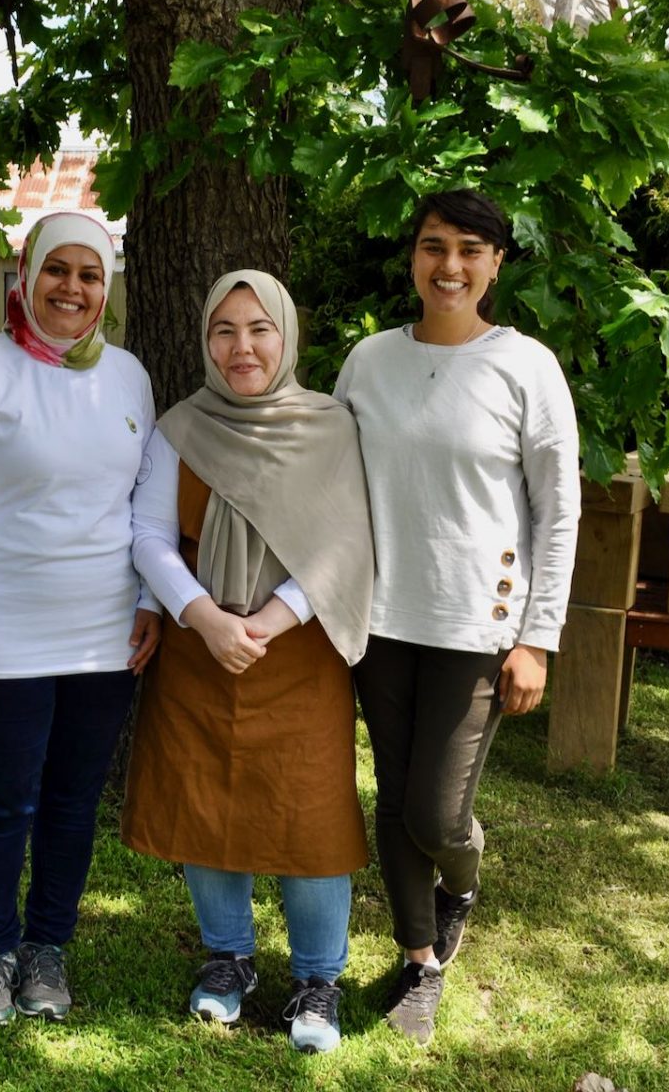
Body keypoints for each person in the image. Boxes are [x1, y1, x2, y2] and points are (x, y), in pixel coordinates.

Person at [332, 189, 580, 1045]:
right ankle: (418, 963)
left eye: (471, 249)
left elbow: (559, 509)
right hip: (380, 620)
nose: (450, 266)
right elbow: (330, 481)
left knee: (438, 815)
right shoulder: (367, 362)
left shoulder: (526, 366)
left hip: (479, 626)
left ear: (497, 264)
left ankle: (460, 883)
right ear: (413, 256)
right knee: (394, 798)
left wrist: (538, 638)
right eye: (435, 246)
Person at [0, 210, 161, 1027]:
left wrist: (153, 602)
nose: (73, 289)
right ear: (26, 276)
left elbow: (145, 505)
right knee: (2, 801)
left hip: (103, 631)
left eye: (91, 276)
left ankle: (47, 948)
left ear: (106, 290)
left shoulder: (128, 376)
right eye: (59, 270)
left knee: (71, 800)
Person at [120, 270, 375, 1054]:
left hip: (298, 649)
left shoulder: (330, 426)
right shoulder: (180, 428)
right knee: (204, 804)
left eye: (259, 328)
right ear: (205, 340)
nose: (242, 346)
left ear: (287, 335)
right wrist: (200, 616)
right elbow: (150, 537)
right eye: (224, 330)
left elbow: (345, 545)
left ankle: (317, 979)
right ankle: (228, 959)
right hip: (200, 648)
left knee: (311, 812)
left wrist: (265, 619)